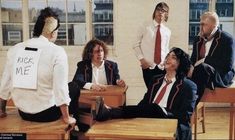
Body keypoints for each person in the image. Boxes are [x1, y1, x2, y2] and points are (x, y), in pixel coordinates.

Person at [0, 7, 77, 132]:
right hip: (47, 115)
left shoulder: (15, 49)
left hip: (23, 113)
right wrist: (67, 118)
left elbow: (5, 83)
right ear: (52, 32)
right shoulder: (57, 52)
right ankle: (73, 131)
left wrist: (2, 110)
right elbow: (60, 87)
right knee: (73, 87)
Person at [96, 47, 197, 140]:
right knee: (149, 108)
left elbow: (185, 116)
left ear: (181, 63)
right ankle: (108, 112)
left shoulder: (188, 86)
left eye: (173, 57)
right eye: (167, 56)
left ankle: (110, 111)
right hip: (150, 118)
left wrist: (164, 112)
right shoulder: (155, 80)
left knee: (154, 107)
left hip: (169, 121)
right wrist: (135, 114)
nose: (168, 58)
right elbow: (144, 103)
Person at [188, 11, 235, 104]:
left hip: (221, 75)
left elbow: (227, 66)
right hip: (201, 74)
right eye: (200, 24)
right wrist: (190, 67)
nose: (200, 27)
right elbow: (193, 60)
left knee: (203, 67)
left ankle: (191, 105)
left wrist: (206, 60)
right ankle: (175, 108)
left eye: (203, 24)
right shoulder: (198, 39)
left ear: (213, 26)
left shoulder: (227, 39)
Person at [133, 2, 171, 88]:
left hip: (162, 67)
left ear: (166, 14)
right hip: (148, 66)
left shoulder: (167, 31)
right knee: (151, 93)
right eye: (158, 10)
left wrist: (166, 63)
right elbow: (135, 44)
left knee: (161, 93)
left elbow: (166, 49)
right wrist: (142, 60)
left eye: (163, 11)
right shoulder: (145, 26)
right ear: (154, 12)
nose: (160, 12)